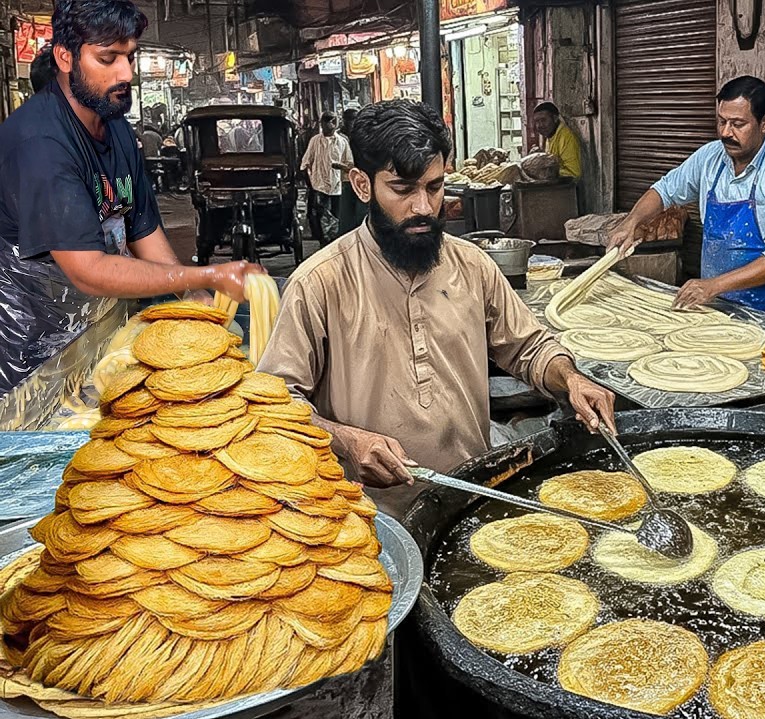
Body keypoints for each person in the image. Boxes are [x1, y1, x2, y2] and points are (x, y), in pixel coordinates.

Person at [258, 100, 616, 513]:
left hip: (471, 499)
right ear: (361, 185)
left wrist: (571, 379)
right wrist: (347, 441)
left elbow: (529, 347)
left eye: (434, 186)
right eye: (403, 189)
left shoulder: (472, 265)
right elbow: (277, 402)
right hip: (368, 517)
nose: (424, 208)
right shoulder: (320, 282)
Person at [0, 0, 261, 395]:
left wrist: (192, 296)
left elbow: (141, 227)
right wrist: (204, 275)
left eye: (130, 56)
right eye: (108, 59)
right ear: (65, 57)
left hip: (101, 328)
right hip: (36, 352)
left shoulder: (116, 126)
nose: (126, 74)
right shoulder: (40, 142)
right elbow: (87, 269)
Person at [607, 76, 765, 324]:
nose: (726, 133)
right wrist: (630, 223)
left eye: (738, 124)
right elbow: (665, 190)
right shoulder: (710, 157)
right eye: (721, 121)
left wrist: (712, 286)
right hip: (722, 305)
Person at [300, 111, 350, 245]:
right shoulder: (315, 141)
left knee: (335, 217)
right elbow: (305, 163)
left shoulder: (342, 142)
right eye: (327, 121)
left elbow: (349, 164)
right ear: (321, 123)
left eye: (333, 121)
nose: (330, 124)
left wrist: (341, 167)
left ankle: (334, 242)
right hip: (319, 186)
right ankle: (323, 242)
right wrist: (311, 185)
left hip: (336, 187)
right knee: (320, 216)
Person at [531, 101, 582, 179]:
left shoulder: (565, 137)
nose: (540, 125)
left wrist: (546, 172)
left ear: (555, 118)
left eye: (543, 120)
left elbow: (574, 173)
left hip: (566, 186)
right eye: (537, 121)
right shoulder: (550, 135)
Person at [337, 107, 367, 234]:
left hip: (362, 178)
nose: (351, 122)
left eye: (354, 119)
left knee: (361, 213)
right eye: (349, 119)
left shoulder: (362, 136)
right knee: (346, 216)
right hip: (345, 180)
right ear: (344, 120)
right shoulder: (339, 137)